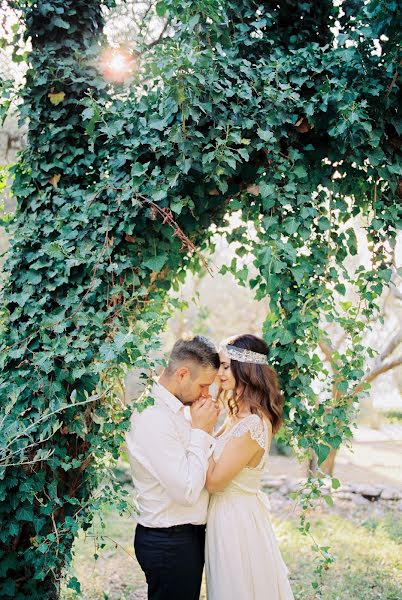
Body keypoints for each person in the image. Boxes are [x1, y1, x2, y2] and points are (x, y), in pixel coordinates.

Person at [125, 335, 220, 600]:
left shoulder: (178, 412)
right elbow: (186, 491)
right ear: (182, 374)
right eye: (203, 385)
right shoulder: (153, 417)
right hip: (169, 542)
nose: (206, 394)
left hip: (183, 539)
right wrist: (201, 431)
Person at [205, 333, 295, 600]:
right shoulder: (236, 415)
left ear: (244, 367)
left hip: (235, 519)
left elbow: (214, 482)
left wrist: (203, 428)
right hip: (225, 513)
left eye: (224, 365)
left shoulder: (253, 423)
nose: (218, 372)